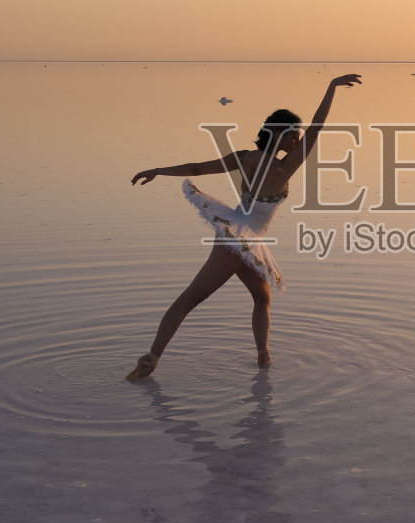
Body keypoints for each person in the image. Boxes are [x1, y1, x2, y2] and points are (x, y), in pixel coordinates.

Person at [125, 74, 362, 380]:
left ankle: (263, 362)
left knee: (263, 298)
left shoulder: (245, 157)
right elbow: (318, 128)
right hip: (240, 239)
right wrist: (331, 88)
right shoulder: (284, 166)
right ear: (279, 135)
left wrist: (158, 170)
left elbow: (198, 168)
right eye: (294, 136)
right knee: (190, 298)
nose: (298, 142)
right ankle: (149, 360)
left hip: (241, 236)